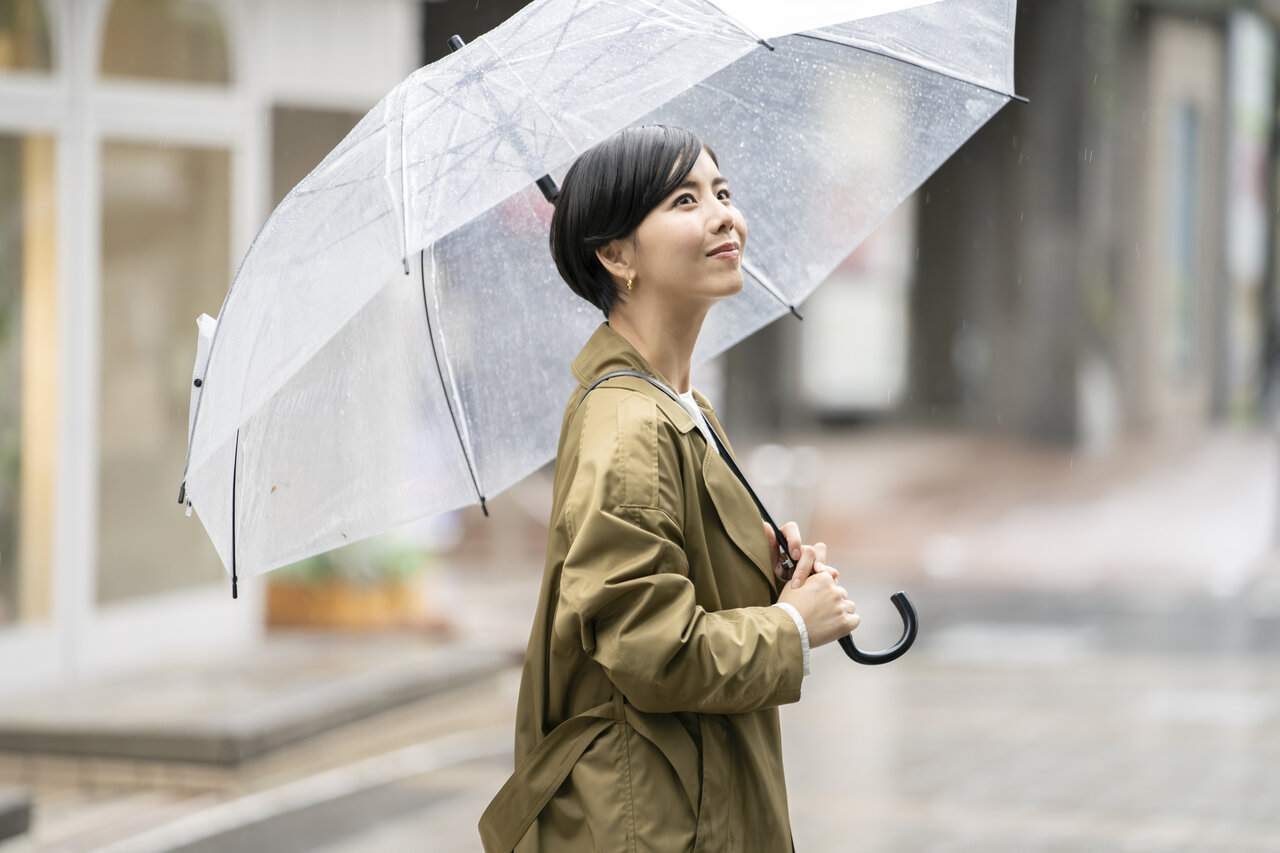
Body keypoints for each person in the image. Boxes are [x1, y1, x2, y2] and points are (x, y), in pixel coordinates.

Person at [478, 125, 860, 852]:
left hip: (690, 797)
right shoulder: (630, 427)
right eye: (685, 199)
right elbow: (654, 650)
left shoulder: (677, 407)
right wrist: (792, 628)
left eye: (722, 191)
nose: (723, 215)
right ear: (617, 255)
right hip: (656, 820)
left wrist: (762, 573)